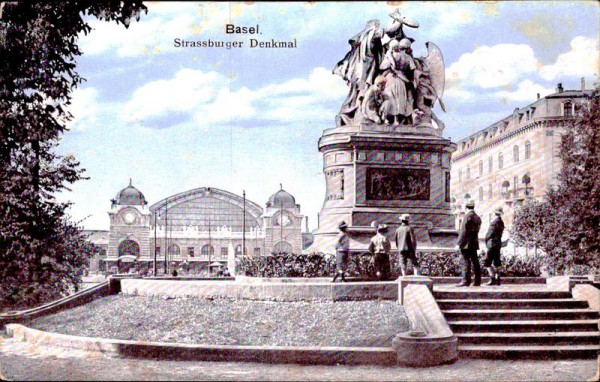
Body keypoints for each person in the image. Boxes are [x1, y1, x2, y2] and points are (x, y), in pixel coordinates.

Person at [456, 200, 482, 287]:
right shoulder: (477, 217)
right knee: (475, 261)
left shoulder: (467, 216)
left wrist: (458, 243)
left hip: (466, 244)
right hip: (474, 243)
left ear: (466, 207)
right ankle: (477, 281)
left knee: (465, 261)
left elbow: (463, 231)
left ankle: (466, 281)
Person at [484, 207, 505, 286]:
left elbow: (489, 234)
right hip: (498, 244)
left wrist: (486, 241)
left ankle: (492, 278)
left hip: (492, 244)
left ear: (495, 214)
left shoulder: (494, 222)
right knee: (497, 262)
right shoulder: (501, 222)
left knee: (487, 263)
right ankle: (498, 277)